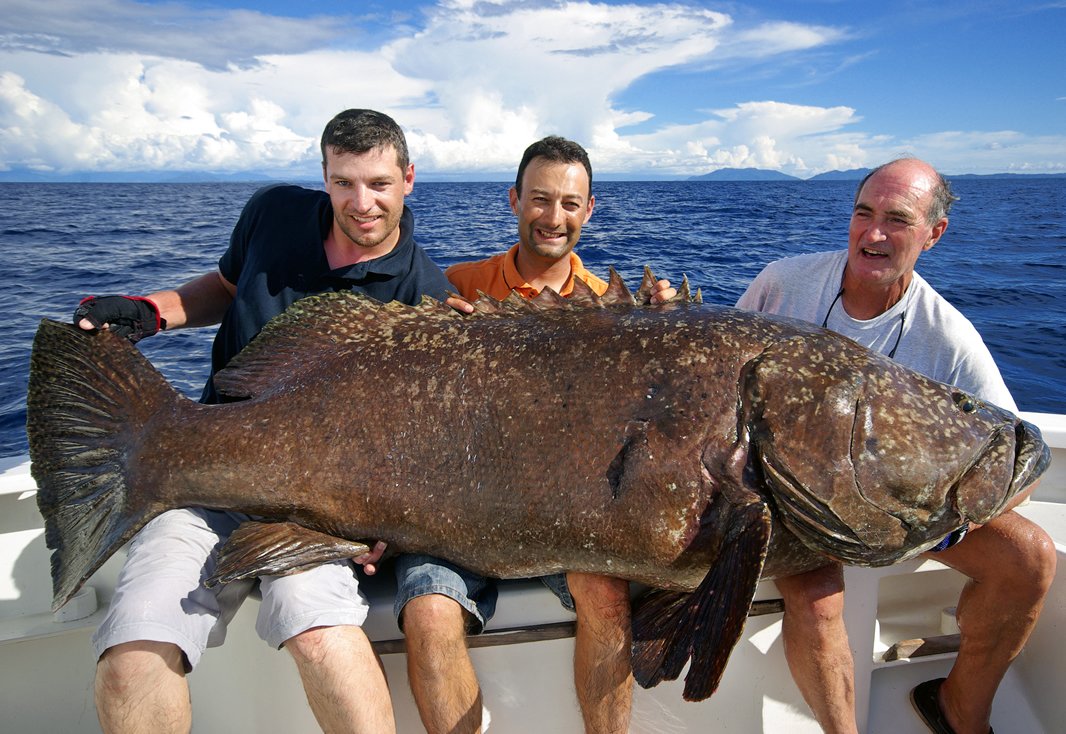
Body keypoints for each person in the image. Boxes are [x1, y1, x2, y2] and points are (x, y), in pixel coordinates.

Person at [73, 108, 464, 734]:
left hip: (316, 513)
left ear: (409, 178)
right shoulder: (272, 211)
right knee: (132, 652)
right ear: (324, 176)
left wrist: (397, 519)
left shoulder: (428, 300)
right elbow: (227, 286)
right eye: (344, 182)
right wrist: (151, 313)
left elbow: (434, 449)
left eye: (379, 184)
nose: (361, 202)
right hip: (204, 481)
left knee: (319, 633)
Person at [735, 157, 1056, 734]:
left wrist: (935, 524)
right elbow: (716, 375)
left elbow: (1017, 455)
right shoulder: (784, 282)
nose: (874, 233)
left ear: (934, 234)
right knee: (816, 597)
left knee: (1029, 556)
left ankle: (962, 709)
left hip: (895, 512)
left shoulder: (948, 336)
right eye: (864, 213)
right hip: (777, 494)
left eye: (897, 220)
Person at [400, 135, 672, 734]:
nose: (554, 217)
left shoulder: (614, 309)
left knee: (604, 591)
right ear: (514, 200)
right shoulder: (457, 285)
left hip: (561, 515)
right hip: (454, 508)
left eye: (570, 204)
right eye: (540, 199)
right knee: (427, 613)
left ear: (590, 210)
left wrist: (667, 331)